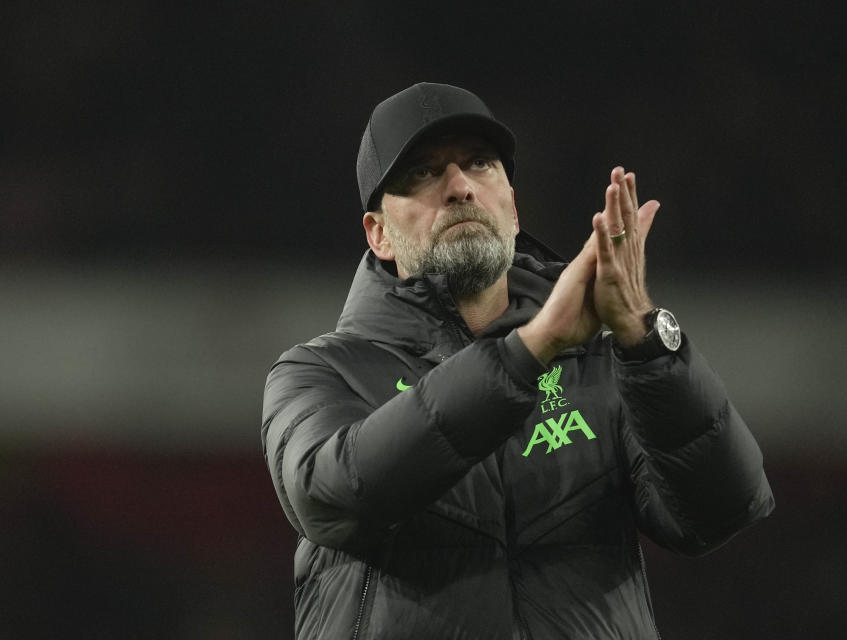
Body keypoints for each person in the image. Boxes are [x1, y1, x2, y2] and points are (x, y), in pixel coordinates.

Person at [262, 82, 774, 639]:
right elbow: (333, 497)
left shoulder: (601, 362)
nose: (458, 186)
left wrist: (645, 340)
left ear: (512, 205)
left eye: (480, 163)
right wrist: (529, 350)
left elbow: (718, 513)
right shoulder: (320, 373)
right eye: (422, 173)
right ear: (379, 234)